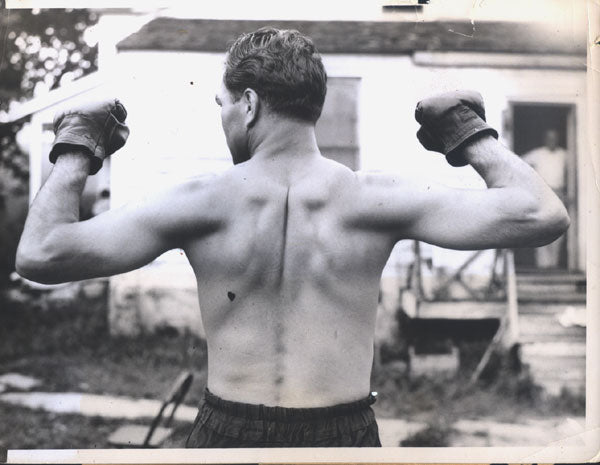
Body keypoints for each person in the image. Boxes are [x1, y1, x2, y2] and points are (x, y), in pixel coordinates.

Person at [15, 27, 569, 448]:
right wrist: (466, 131)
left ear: (249, 104)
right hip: (342, 437)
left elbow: (40, 253)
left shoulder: (199, 202)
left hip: (228, 435)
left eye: (223, 107)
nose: (224, 119)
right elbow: (542, 213)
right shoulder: (372, 199)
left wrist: (76, 147)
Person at [521, 129, 568, 268]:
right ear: (545, 140)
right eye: (549, 138)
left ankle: (553, 264)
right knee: (542, 227)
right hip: (542, 193)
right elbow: (519, 161)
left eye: (554, 138)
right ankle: (542, 265)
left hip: (559, 193)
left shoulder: (564, 154)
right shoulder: (538, 153)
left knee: (558, 227)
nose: (552, 141)